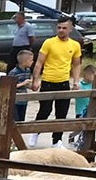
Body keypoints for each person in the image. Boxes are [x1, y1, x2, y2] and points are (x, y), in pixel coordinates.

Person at [30, 16, 82, 148]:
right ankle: (35, 132)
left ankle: (56, 140)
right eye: (59, 28)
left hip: (63, 82)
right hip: (48, 81)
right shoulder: (49, 42)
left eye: (64, 28)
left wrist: (76, 81)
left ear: (70, 29)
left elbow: (76, 64)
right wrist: (35, 79)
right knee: (45, 110)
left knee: (61, 113)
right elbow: (39, 62)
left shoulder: (74, 45)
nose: (61, 30)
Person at [8, 49, 36, 123]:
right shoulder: (13, 72)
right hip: (15, 100)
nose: (32, 62)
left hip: (24, 100)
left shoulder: (28, 71)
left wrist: (32, 87)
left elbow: (26, 84)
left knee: (21, 120)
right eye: (31, 60)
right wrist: (23, 83)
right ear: (24, 61)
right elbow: (10, 86)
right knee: (15, 120)